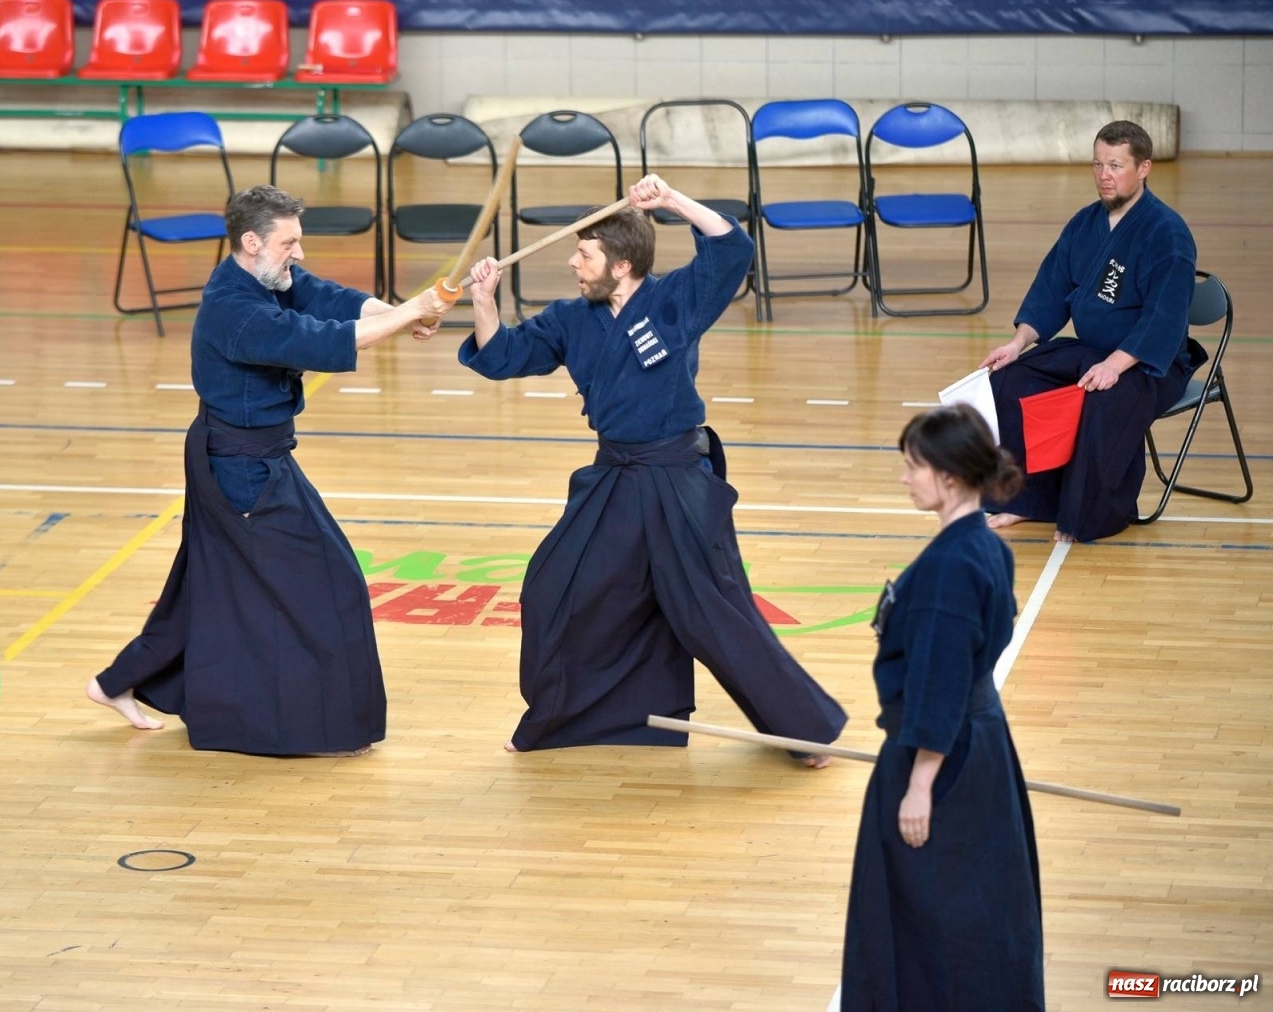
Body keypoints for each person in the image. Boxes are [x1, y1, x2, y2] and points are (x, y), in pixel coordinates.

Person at [459, 175, 847, 756]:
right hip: (614, 478)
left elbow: (731, 247)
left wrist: (669, 201)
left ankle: (804, 730)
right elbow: (504, 357)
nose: (572, 262)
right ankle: (581, 720)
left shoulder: (675, 302)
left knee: (712, 611)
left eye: (584, 253)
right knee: (556, 589)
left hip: (675, 481)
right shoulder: (571, 318)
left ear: (620, 265)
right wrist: (484, 302)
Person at [87, 184, 453, 756]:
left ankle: (113, 684)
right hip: (241, 469)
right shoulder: (234, 309)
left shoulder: (268, 277)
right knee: (330, 583)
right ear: (251, 241)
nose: (299, 255)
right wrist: (410, 312)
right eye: (290, 243)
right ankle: (317, 723)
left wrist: (402, 316)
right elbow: (313, 338)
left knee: (206, 582)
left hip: (251, 457)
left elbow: (329, 301)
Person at [841, 404, 1043, 1011]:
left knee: (927, 912)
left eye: (914, 467)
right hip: (980, 746)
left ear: (950, 476)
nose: (905, 478)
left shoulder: (949, 571)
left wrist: (920, 786)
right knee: (980, 902)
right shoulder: (984, 544)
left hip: (940, 760)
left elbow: (938, 682)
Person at [981, 120, 1203, 543]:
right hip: (1093, 349)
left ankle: (1087, 517)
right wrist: (1017, 342)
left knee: (1104, 399)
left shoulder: (1167, 234)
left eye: (1116, 165)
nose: (1104, 175)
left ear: (1144, 169)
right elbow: (1051, 288)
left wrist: (1116, 365)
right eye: (1098, 164)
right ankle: (1026, 501)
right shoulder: (1085, 224)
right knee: (1011, 381)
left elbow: (1165, 318)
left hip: (1149, 362)